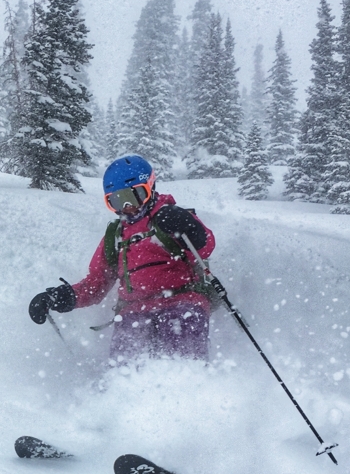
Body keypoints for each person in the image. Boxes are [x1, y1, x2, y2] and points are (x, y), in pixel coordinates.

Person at [29, 154, 216, 361]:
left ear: (150, 188)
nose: (127, 206)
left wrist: (187, 225)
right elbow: (97, 283)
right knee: (126, 366)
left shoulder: (170, 217)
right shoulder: (116, 235)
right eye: (117, 200)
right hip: (134, 312)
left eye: (133, 196)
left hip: (182, 301)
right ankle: (121, 392)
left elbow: (206, 246)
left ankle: (191, 385)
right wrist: (62, 297)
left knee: (179, 352)